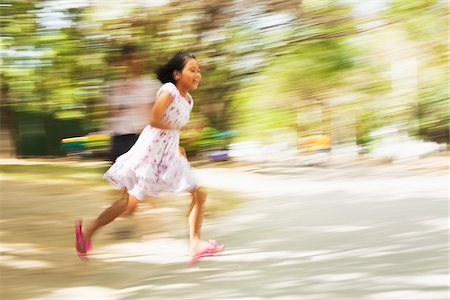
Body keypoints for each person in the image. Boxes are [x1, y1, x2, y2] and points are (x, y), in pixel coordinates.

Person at [75, 52, 224, 264]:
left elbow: (172, 131)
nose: (197, 74)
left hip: (168, 153)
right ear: (177, 74)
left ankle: (195, 245)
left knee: (198, 193)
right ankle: (88, 230)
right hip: (150, 154)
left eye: (198, 70)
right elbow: (154, 119)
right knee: (129, 204)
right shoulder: (169, 90)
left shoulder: (188, 100)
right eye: (192, 69)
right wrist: (174, 132)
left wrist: (178, 147)